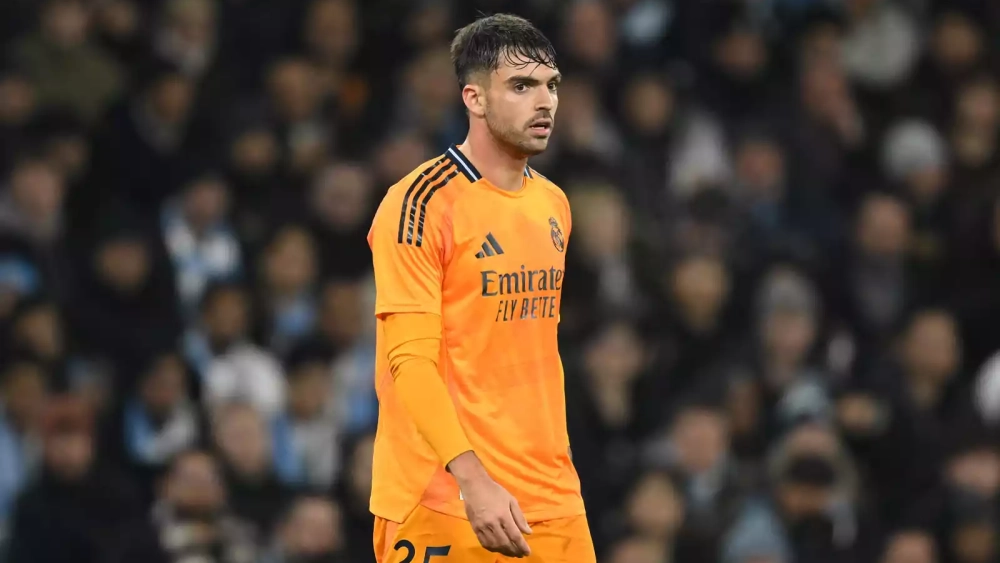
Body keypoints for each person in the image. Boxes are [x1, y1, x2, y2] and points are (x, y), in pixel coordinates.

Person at [367, 13, 595, 563]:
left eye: (551, 85)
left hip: (553, 496)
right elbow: (411, 362)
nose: (544, 102)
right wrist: (473, 480)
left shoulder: (554, 204)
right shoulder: (419, 202)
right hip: (446, 497)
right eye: (521, 86)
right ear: (474, 97)